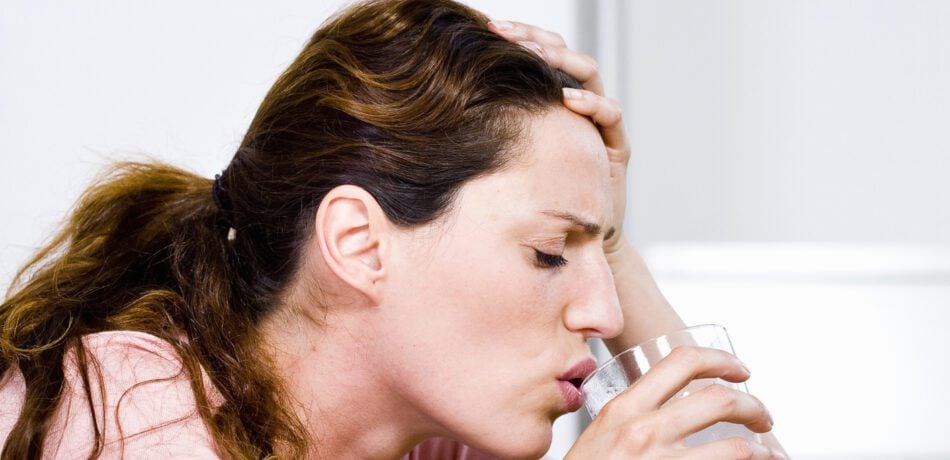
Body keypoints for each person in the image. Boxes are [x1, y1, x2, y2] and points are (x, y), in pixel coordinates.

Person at [0, 0, 783, 458]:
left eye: (594, 256)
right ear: (360, 244)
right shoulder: (125, 408)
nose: (604, 315)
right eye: (548, 253)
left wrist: (606, 236)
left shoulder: (444, 432)